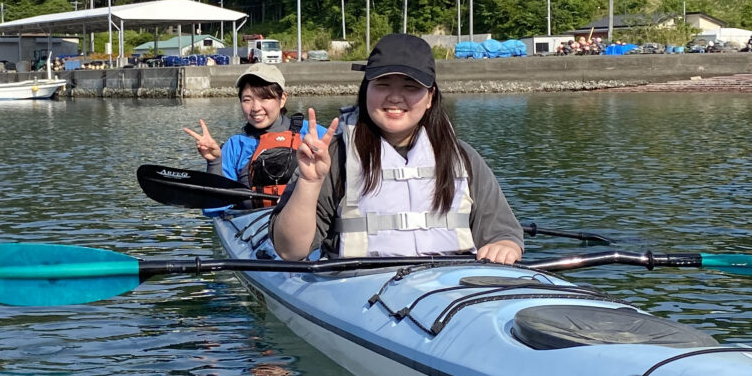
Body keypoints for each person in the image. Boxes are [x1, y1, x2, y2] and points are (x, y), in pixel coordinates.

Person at [270, 32, 524, 264]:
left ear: (430, 98)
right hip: (360, 289)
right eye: (383, 84)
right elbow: (291, 251)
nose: (395, 97)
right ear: (365, 91)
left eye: (410, 87)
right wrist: (309, 182)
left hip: (449, 284)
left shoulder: (463, 157)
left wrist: (504, 245)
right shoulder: (334, 157)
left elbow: (502, 232)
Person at [183, 62, 303, 205]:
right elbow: (214, 209)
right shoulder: (235, 146)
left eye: (265, 98)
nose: (256, 108)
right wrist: (214, 162)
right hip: (253, 223)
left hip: (305, 222)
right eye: (247, 100)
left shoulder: (312, 133)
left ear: (282, 99)